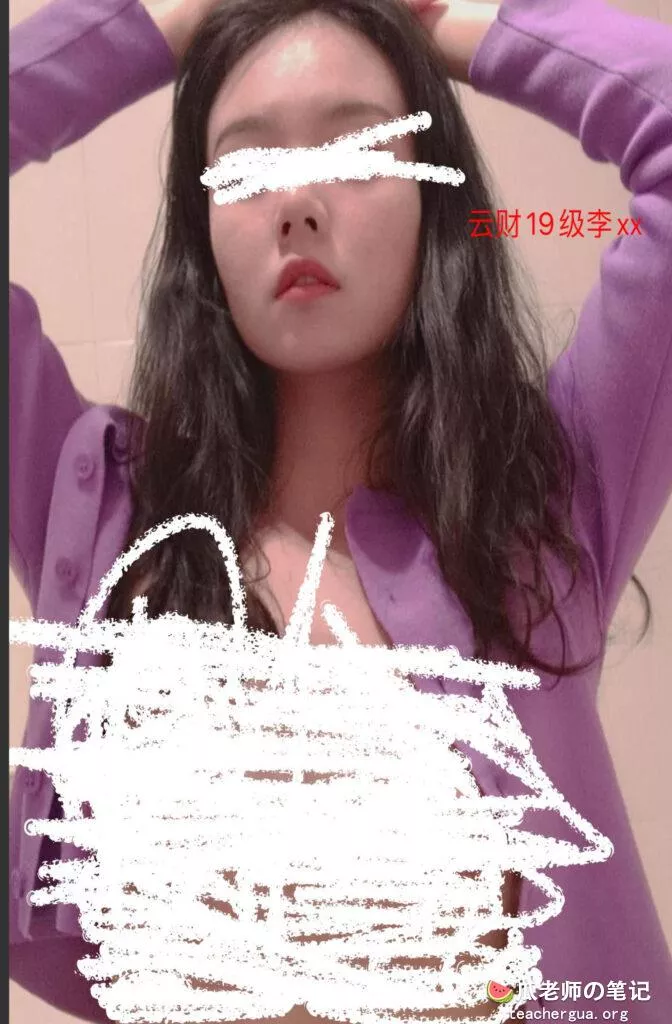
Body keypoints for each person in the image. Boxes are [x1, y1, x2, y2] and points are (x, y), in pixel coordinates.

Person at [9, 0, 672, 1021]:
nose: (299, 202)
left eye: (360, 150)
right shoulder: (98, 505)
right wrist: (161, 25)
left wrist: (447, 23)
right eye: (246, 165)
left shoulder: (542, 495)